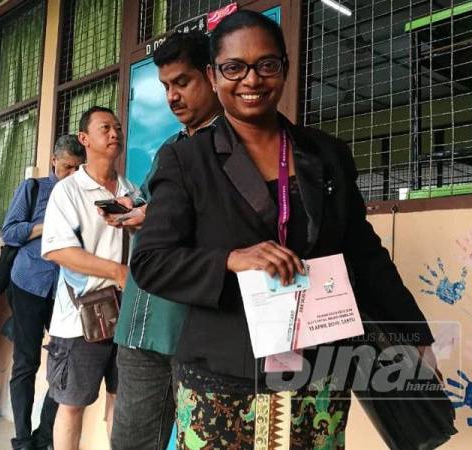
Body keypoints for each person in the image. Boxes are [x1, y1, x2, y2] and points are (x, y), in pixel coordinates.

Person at [131, 11, 439, 448]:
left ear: (285, 69)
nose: (251, 80)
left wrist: (415, 337)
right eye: (234, 68)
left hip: (319, 370)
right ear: (214, 76)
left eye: (266, 65)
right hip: (222, 378)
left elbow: (366, 257)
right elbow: (151, 262)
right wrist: (230, 260)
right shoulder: (186, 161)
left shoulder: (326, 154)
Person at [110, 30, 222, 450]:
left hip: (192, 327)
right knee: (130, 442)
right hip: (139, 321)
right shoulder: (169, 149)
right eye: (165, 87)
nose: (172, 96)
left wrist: (152, 214)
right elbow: (148, 197)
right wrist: (131, 208)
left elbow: (218, 217)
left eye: (183, 82)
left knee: (204, 441)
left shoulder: (236, 146)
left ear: (212, 76)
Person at [41, 106, 141, 450]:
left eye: (117, 127)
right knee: (72, 404)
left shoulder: (132, 190)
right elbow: (57, 250)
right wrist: (117, 272)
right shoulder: (67, 191)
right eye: (105, 128)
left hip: (127, 313)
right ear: (84, 139)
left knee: (121, 399)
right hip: (81, 318)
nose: (115, 133)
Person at [2, 135, 85, 450]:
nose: (72, 174)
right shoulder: (34, 188)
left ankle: (45, 437)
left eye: (78, 168)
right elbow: (10, 232)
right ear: (54, 161)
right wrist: (46, 224)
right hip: (29, 283)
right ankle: (22, 439)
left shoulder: (83, 194)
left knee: (66, 362)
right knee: (26, 362)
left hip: (66, 290)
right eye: (66, 167)